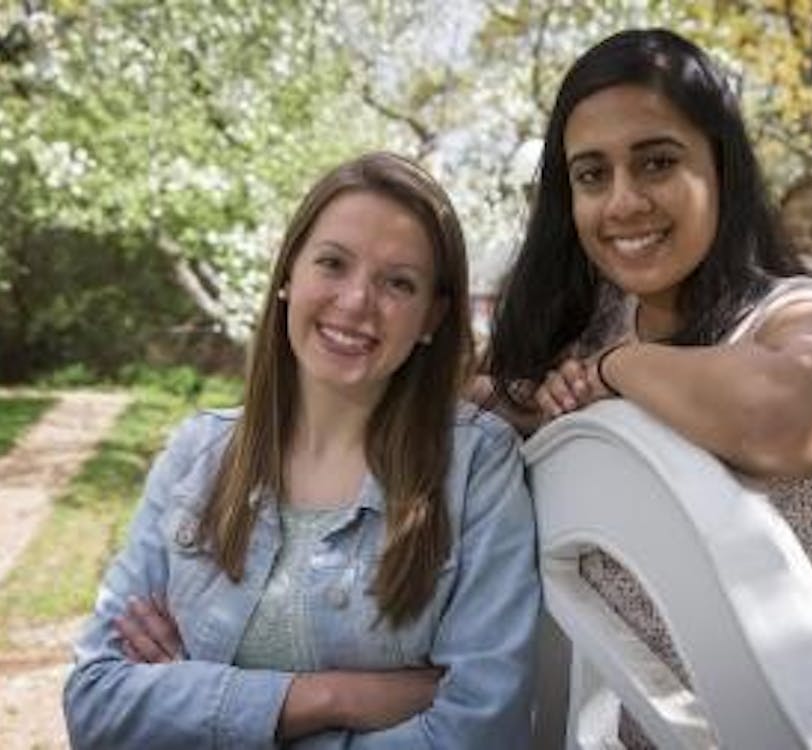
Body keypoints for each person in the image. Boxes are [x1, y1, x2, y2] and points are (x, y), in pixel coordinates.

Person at [64, 152, 540, 750]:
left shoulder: (474, 471)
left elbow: (479, 730)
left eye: (399, 282)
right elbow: (96, 703)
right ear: (289, 274)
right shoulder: (200, 454)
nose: (356, 301)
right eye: (333, 264)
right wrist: (329, 698)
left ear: (432, 316)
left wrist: (198, 704)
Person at [485, 27, 812, 637]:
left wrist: (618, 369)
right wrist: (542, 400)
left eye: (658, 163)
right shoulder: (586, 322)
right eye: (592, 176)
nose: (622, 202)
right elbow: (474, 398)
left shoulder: (803, 315)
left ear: (721, 167)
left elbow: (794, 421)